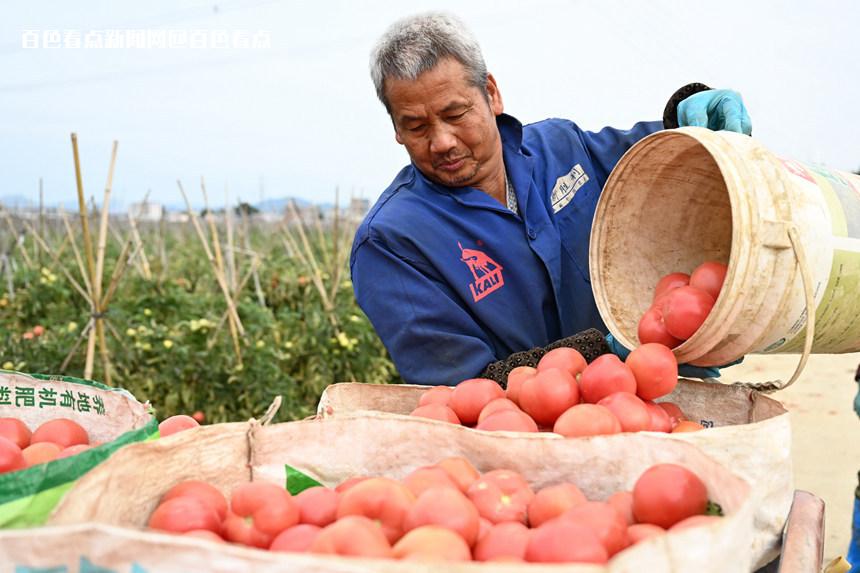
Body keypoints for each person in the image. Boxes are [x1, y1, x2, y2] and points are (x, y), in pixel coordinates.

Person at [351, 12, 751, 386]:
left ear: (491, 94)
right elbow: (463, 388)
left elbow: (655, 163)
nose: (441, 142)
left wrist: (690, 117)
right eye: (416, 126)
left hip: (660, 402)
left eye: (456, 114)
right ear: (396, 130)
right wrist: (602, 355)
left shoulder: (561, 148)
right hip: (529, 445)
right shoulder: (391, 242)